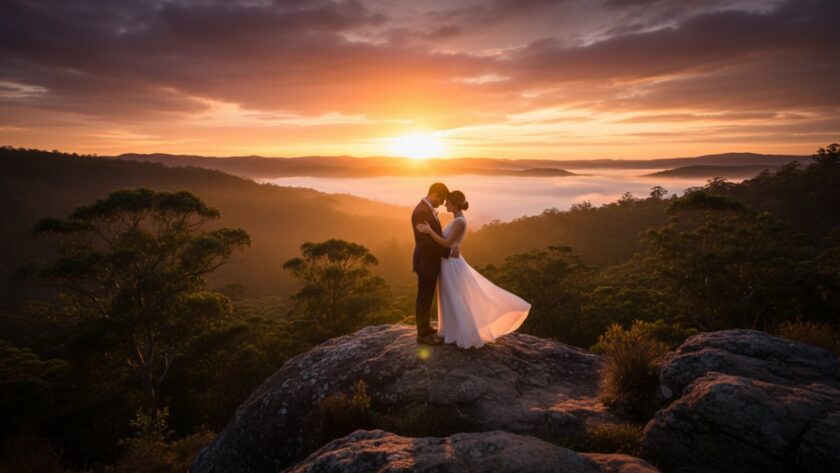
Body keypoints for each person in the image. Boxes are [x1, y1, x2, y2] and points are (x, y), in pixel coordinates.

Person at [416, 190, 530, 349]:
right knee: (449, 296)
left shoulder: (459, 222)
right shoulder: (456, 220)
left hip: (452, 264)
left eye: (447, 202)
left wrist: (429, 231)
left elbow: (445, 243)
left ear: (454, 204)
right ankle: (452, 330)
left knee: (456, 297)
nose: (445, 204)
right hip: (448, 262)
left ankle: (462, 332)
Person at [411, 183, 459, 345]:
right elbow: (425, 244)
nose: (443, 203)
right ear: (434, 195)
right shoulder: (421, 212)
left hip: (430, 261)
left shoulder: (426, 209)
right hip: (425, 261)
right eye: (442, 199)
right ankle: (422, 334)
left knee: (427, 296)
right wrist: (448, 252)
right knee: (424, 298)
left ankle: (425, 328)